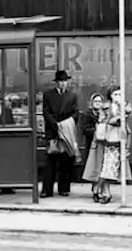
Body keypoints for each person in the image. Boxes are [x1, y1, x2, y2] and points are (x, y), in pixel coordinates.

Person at [41, 69, 80, 198]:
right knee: (50, 161)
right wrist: (56, 125)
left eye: (65, 81)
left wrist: (65, 125)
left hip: (66, 132)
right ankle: (47, 189)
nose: (63, 83)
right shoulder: (48, 95)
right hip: (53, 131)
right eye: (61, 81)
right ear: (56, 82)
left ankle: (64, 188)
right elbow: (46, 112)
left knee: (65, 161)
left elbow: (75, 113)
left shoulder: (72, 96)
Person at [95, 85, 132, 204]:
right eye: (115, 94)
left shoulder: (124, 106)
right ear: (110, 96)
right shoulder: (106, 108)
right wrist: (117, 117)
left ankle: (103, 190)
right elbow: (104, 121)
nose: (118, 97)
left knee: (113, 169)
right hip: (109, 140)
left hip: (121, 139)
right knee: (108, 168)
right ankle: (100, 189)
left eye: (120, 94)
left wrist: (122, 107)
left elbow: (128, 115)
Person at [80, 93, 108, 202]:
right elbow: (84, 129)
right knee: (94, 166)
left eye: (100, 101)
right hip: (92, 144)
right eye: (96, 101)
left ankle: (99, 189)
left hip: (103, 144)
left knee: (102, 167)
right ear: (92, 103)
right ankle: (95, 189)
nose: (98, 103)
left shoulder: (105, 114)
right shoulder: (87, 115)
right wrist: (96, 130)